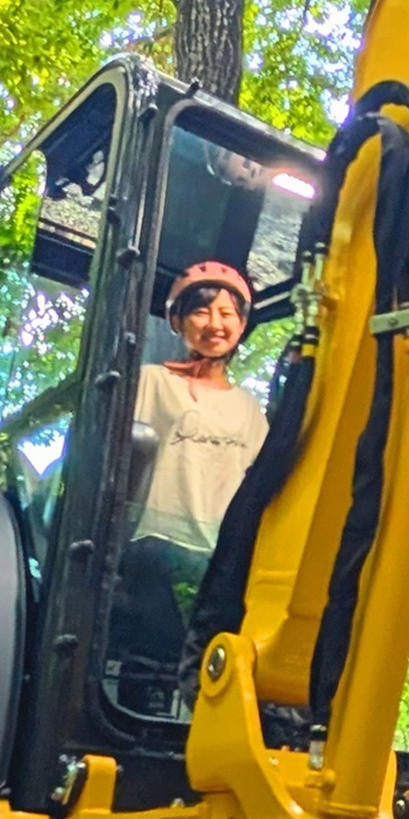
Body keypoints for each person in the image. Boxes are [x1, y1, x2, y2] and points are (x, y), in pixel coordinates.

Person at [109, 261, 267, 711]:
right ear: (178, 320)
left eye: (227, 313)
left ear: (241, 324)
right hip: (155, 543)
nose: (215, 324)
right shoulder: (150, 381)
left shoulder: (248, 409)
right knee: (153, 665)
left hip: (217, 556)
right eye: (201, 312)